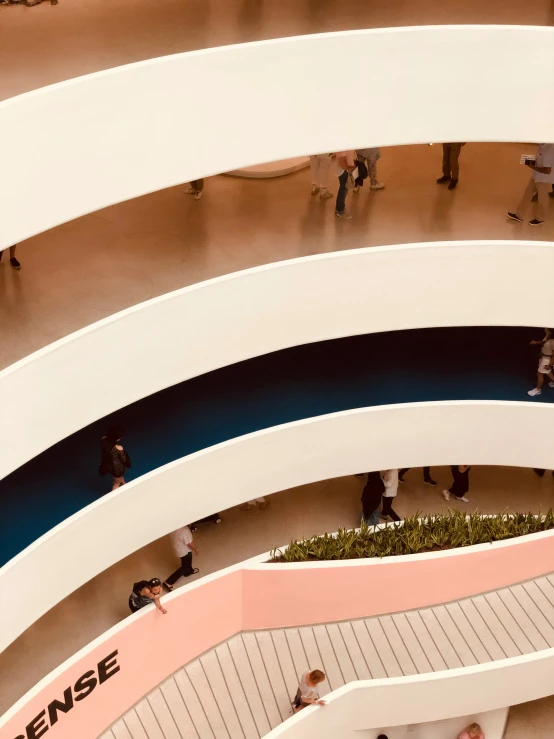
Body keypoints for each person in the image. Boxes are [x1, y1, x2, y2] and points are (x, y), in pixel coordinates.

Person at [508, 143, 554, 225]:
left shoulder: (549, 149)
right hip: (536, 176)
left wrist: (532, 167)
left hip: (543, 179)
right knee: (527, 194)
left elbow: (547, 171)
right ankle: (519, 215)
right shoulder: (542, 146)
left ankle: (541, 218)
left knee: (542, 199)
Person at [162, 525, 199, 590]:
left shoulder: (174, 527)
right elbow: (189, 543)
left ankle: (189, 571)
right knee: (185, 566)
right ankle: (168, 582)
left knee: (187, 561)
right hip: (185, 550)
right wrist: (196, 549)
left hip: (178, 548)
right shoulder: (184, 531)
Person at [99, 425, 131, 491]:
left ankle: (123, 483)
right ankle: (114, 494)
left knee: (120, 478)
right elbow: (124, 460)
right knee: (116, 484)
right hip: (117, 468)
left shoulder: (103, 439)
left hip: (108, 464)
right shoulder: (119, 448)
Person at [528, 329, 554, 396]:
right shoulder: (548, 336)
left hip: (547, 359)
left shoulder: (553, 342)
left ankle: (538, 390)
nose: (545, 329)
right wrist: (536, 342)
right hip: (543, 357)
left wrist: (550, 364)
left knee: (540, 373)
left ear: (550, 331)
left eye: (547, 329)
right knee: (548, 372)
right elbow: (543, 342)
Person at [335, 150, 356, 219]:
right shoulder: (343, 148)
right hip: (344, 171)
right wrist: (350, 170)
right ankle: (340, 210)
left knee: (343, 189)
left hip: (344, 171)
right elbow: (342, 162)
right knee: (343, 190)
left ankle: (339, 207)